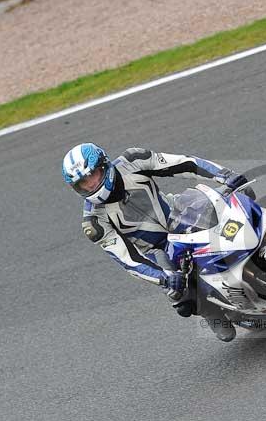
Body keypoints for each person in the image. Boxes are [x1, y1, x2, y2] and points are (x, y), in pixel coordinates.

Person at [62, 143, 248, 341]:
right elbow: (128, 260)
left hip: (180, 213)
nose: (91, 185)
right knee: (181, 298)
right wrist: (164, 278)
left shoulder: (133, 161)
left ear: (104, 165)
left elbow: (185, 164)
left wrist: (224, 175)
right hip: (157, 249)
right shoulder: (94, 221)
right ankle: (212, 313)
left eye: (93, 176)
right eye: (83, 183)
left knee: (238, 199)